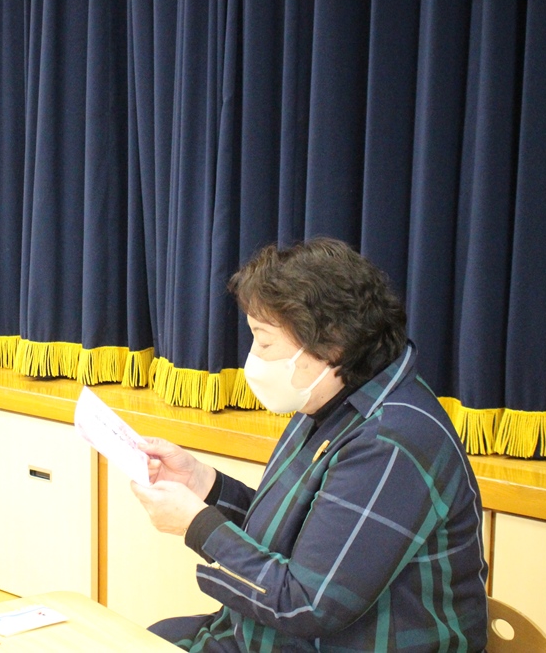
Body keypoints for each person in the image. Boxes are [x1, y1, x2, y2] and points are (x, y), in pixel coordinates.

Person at [132, 238, 487, 651]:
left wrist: (197, 525)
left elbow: (306, 604)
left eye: (265, 341)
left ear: (331, 344)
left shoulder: (389, 440)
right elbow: (296, 538)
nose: (253, 357)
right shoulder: (330, 397)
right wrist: (205, 486)